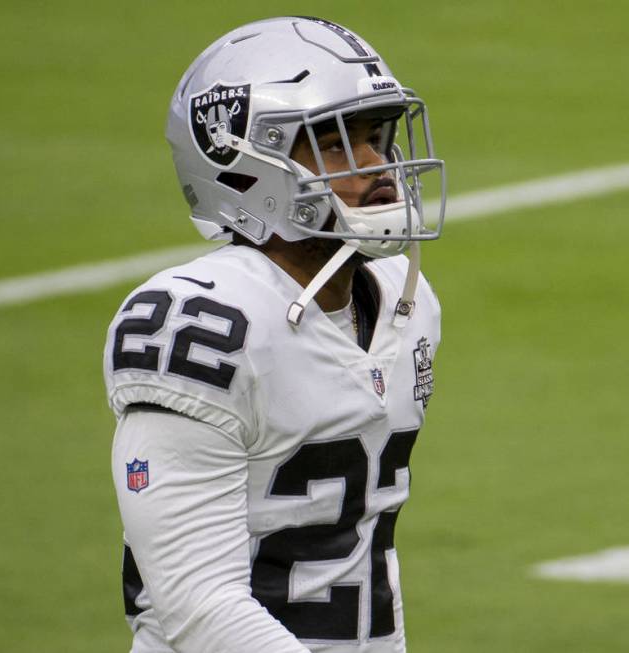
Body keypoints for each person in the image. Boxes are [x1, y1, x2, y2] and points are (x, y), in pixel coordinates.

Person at [103, 16, 446, 653]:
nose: (380, 167)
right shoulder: (200, 327)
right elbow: (197, 606)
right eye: (340, 145)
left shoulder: (405, 297)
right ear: (243, 165)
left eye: (377, 137)